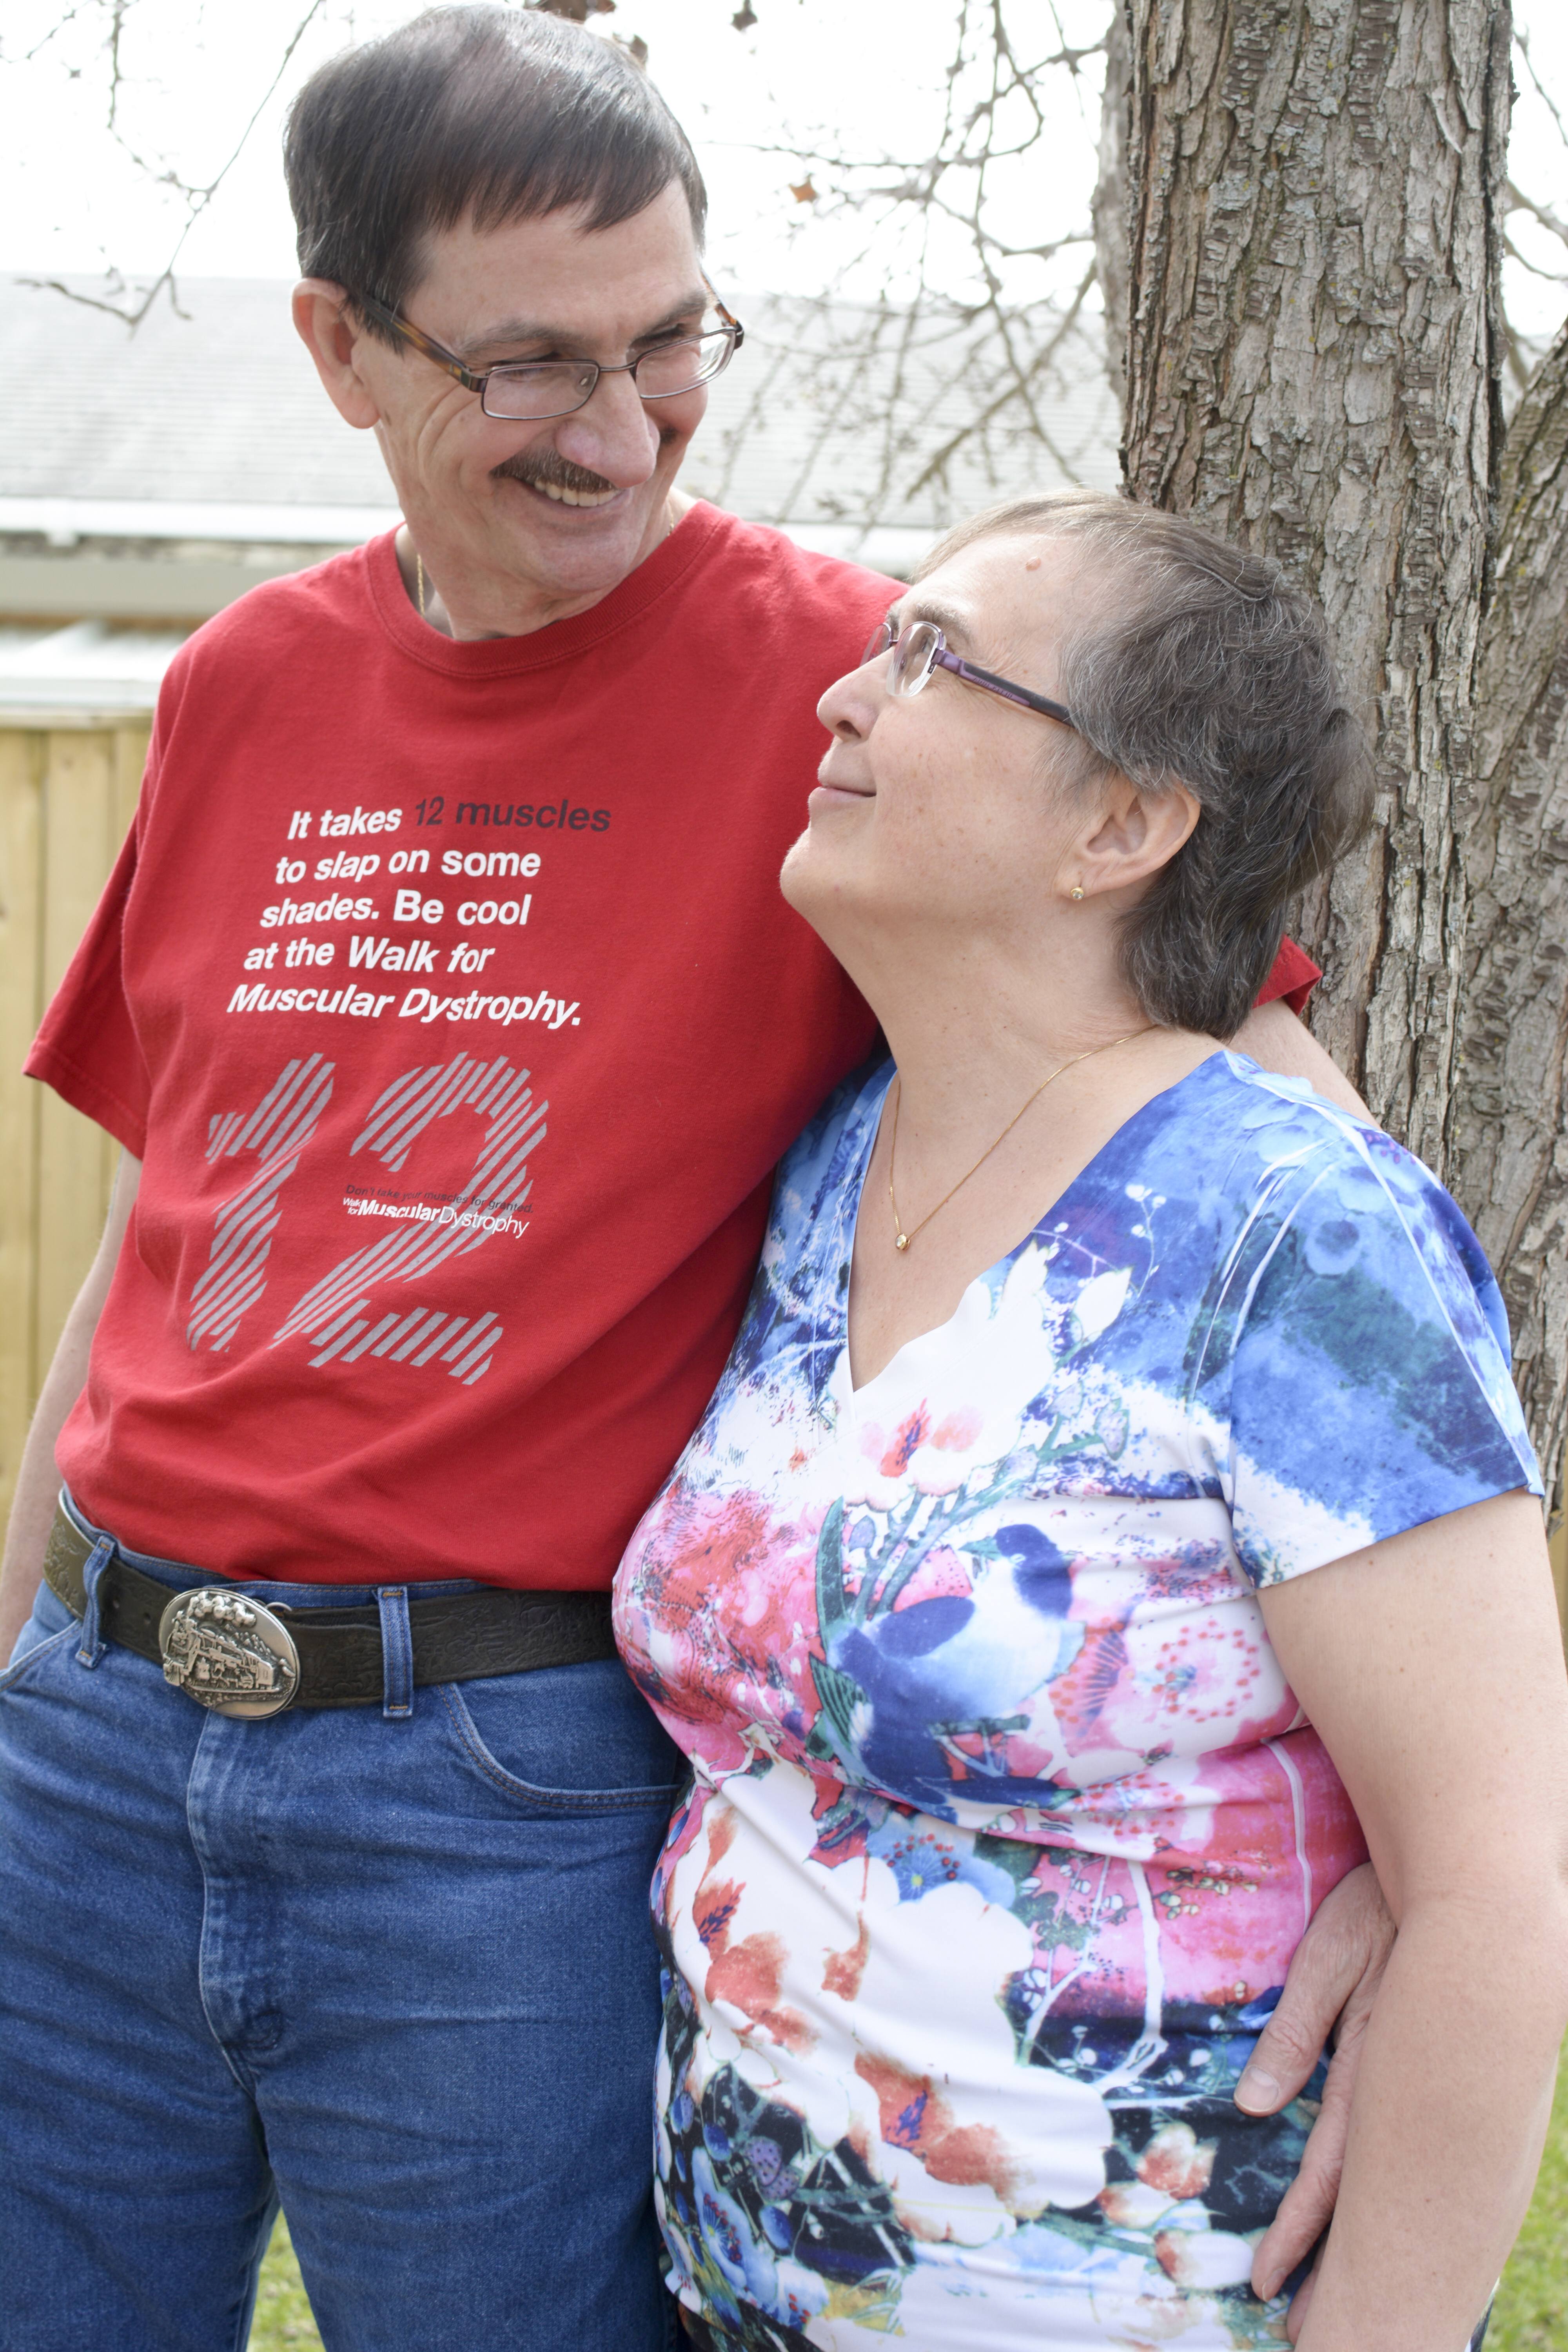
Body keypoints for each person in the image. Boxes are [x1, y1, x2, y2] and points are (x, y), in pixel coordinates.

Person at [0, 10, 1388, 2348]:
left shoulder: (864, 699)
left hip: (493, 1793)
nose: (624, 426)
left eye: (671, 342)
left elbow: (1256, 1097)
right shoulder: (243, 678)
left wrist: (1412, 1819)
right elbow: (160, 1240)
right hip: (98, 1738)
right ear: (342, 344)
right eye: (535, 361)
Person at [613, 491, 1568, 2351]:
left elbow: (1487, 1885)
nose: (840, 696)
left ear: (1121, 827)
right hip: (730, 2289)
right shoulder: (828, 1165)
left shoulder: (1295, 1232)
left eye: (932, 658)